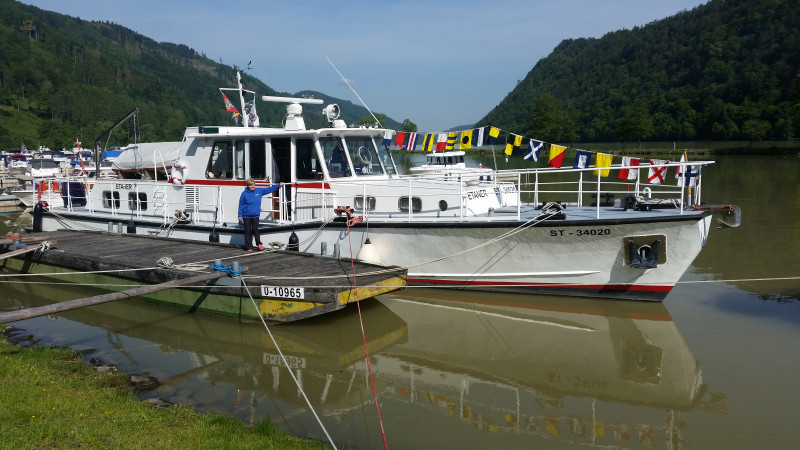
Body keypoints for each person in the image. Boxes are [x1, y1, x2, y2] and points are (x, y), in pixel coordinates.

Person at [237, 178, 286, 252]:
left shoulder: (259, 191)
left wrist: (278, 185)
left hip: (255, 215)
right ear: (248, 186)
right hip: (246, 215)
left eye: (253, 184)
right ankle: (249, 247)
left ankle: (259, 244)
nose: (252, 186)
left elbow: (269, 189)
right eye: (250, 185)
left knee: (255, 230)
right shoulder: (244, 194)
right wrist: (239, 215)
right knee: (247, 231)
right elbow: (241, 205)